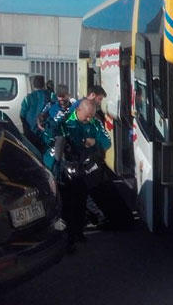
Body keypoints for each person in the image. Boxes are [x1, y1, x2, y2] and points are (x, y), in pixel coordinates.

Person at [45, 99, 111, 252]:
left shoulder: (94, 123)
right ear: (79, 110)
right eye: (86, 116)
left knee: (81, 202)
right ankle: (68, 240)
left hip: (82, 168)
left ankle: (78, 232)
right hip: (62, 169)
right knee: (67, 205)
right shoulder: (65, 121)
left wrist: (95, 142)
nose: (89, 120)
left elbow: (106, 141)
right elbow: (50, 137)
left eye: (91, 117)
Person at [20, 75, 51, 153]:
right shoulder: (51, 95)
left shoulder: (28, 98)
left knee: (33, 153)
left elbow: (22, 115)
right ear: (44, 84)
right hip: (46, 131)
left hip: (31, 132)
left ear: (33, 85)